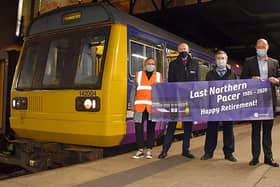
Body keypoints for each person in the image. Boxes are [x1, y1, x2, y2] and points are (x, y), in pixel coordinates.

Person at [241, 38, 279, 167]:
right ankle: (255, 157)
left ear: (267, 48)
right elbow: (242, 80)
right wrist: (251, 79)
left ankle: (268, 158)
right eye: (258, 47)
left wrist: (277, 80)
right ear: (256, 48)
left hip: (269, 102)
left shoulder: (274, 62)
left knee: (267, 131)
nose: (260, 49)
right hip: (255, 102)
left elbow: (279, 78)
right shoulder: (249, 62)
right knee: (255, 130)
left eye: (263, 47)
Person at [158, 42, 200, 159]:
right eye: (181, 49)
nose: (183, 51)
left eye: (185, 49)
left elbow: (197, 82)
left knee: (188, 127)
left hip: (189, 100)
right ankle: (164, 150)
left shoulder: (195, 64)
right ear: (178, 51)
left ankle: (186, 150)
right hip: (176, 99)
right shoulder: (173, 64)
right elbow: (171, 82)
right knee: (171, 126)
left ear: (188, 50)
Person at [200, 51, 237, 162]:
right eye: (218, 58)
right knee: (211, 130)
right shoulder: (210, 74)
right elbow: (206, 90)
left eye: (222, 58)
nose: (220, 60)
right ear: (215, 60)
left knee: (228, 130)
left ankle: (229, 153)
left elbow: (237, 89)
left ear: (226, 60)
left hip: (228, 106)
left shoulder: (232, 74)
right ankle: (208, 153)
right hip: (213, 106)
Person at [131, 57, 162, 159]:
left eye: (152, 64)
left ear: (155, 66)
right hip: (139, 107)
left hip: (152, 107)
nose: (150, 65)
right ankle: (140, 150)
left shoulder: (158, 76)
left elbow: (161, 92)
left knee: (151, 129)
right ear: (145, 64)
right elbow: (133, 91)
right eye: (149, 63)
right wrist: (132, 104)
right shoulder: (139, 75)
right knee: (138, 128)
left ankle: (149, 150)